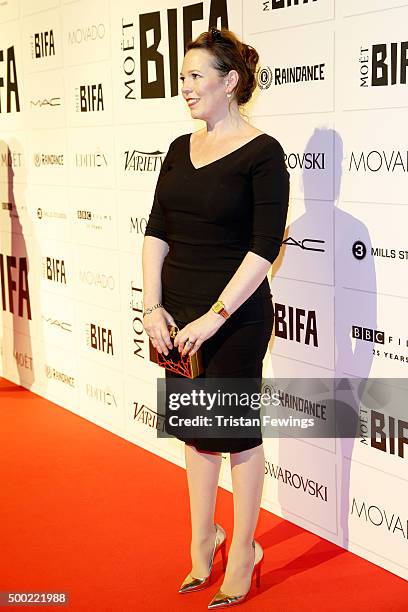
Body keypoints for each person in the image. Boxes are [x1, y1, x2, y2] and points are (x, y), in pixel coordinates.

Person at [142, 27, 289, 609]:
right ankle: (203, 541)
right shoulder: (180, 149)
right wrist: (152, 306)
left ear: (231, 82)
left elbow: (264, 247)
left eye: (196, 76)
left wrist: (216, 316)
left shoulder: (262, 152)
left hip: (233, 318)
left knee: (237, 439)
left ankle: (246, 549)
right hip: (176, 316)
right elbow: (157, 231)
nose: (185, 87)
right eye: (182, 77)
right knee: (197, 438)